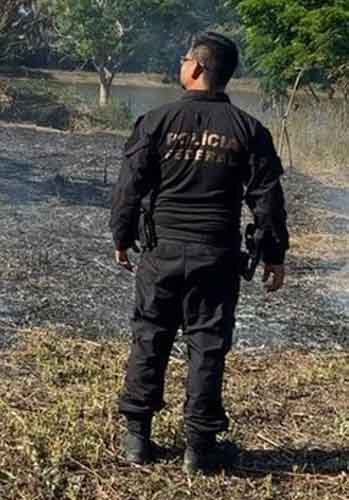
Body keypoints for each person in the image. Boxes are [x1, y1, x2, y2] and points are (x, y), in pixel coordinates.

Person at [109, 32, 289, 474]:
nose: (181, 64)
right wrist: (274, 254)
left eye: (185, 58)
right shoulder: (249, 130)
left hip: (162, 253)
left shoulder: (156, 121)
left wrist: (121, 236)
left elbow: (129, 188)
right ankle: (200, 448)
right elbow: (267, 198)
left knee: (150, 336)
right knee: (207, 346)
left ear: (197, 68)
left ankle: (137, 439)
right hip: (216, 255)